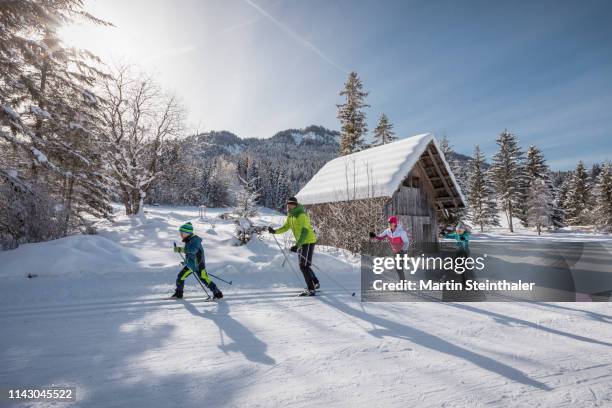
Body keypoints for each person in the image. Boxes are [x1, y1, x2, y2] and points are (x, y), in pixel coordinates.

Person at [268, 196, 319, 296]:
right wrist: (275, 231)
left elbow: (305, 231)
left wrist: (298, 245)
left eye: (292, 204)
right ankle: (315, 283)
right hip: (301, 241)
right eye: (288, 204)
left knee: (303, 266)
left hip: (308, 240)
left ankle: (311, 289)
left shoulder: (301, 215)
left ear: (296, 205)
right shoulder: (290, 215)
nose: (290, 205)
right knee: (305, 265)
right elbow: (286, 227)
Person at [170, 222, 223, 300]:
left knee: (205, 280)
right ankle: (179, 294)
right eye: (180, 233)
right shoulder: (188, 241)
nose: (180, 234)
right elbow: (190, 256)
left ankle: (218, 294)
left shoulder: (195, 240)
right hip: (191, 265)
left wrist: (180, 249)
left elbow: (193, 250)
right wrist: (185, 262)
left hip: (199, 266)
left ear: (187, 233)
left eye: (182, 233)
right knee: (180, 276)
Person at [369, 216, 411, 280]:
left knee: (399, 268)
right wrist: (374, 236)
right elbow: (381, 237)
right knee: (398, 269)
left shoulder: (401, 232)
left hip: (402, 252)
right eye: (389, 223)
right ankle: (402, 283)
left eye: (391, 223)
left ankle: (402, 285)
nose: (389, 224)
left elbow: (406, 243)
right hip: (395, 252)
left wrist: (403, 250)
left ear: (395, 223)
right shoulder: (387, 231)